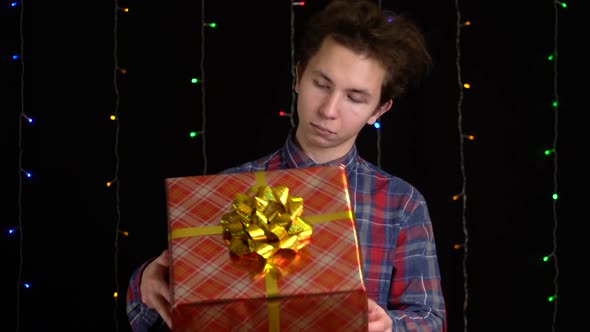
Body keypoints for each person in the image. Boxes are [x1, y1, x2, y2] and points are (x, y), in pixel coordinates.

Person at [126, 0, 446, 331]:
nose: (328, 109)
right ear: (298, 75)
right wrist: (149, 277)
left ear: (379, 111)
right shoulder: (229, 188)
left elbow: (431, 320)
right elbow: (145, 318)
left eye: (355, 97)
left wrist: (389, 325)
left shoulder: (401, 203)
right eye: (321, 84)